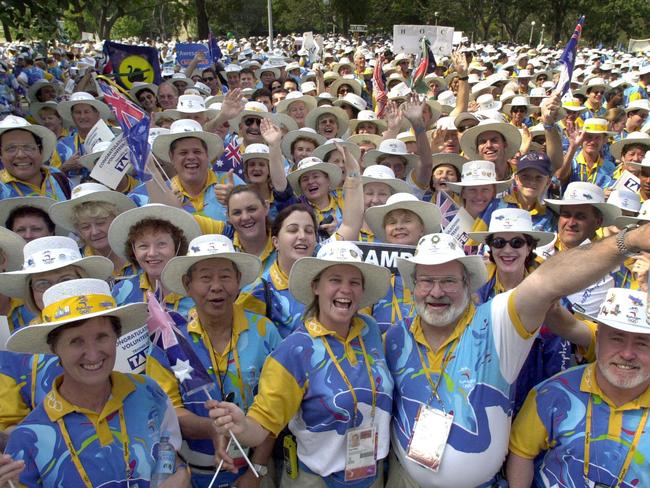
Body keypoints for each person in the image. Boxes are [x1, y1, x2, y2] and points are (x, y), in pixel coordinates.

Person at [384, 217, 650, 487]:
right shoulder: (395, 337)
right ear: (412, 285)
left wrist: (629, 240)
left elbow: (548, 282)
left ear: (468, 284)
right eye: (426, 281)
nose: (436, 292)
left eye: (449, 281)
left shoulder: (496, 324)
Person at [209, 240, 393, 487]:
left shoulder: (369, 330)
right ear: (316, 286)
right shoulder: (294, 351)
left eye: (354, 282)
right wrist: (241, 425)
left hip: (371, 476)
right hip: (317, 480)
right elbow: (262, 425)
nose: (345, 289)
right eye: (335, 280)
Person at [3, 278, 190, 487]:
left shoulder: (149, 393)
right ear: (54, 348)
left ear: (117, 337)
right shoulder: (28, 438)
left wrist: (181, 474)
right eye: (76, 341)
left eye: (102, 337)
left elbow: (169, 453)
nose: (92, 354)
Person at [147, 234, 281, 486]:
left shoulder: (265, 331)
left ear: (239, 281)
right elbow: (168, 412)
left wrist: (257, 470)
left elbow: (275, 408)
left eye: (225, 276)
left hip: (255, 467)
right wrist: (212, 427)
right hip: (192, 474)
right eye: (205, 277)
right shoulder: (170, 340)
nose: (216, 286)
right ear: (188, 284)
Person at [507, 287, 650, 488]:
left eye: (642, 343)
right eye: (616, 338)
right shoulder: (552, 393)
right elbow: (521, 452)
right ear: (598, 339)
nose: (627, 354)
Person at [469, 208, 570, 412]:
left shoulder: (552, 298)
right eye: (499, 243)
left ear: (529, 247)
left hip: (532, 404)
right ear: (489, 247)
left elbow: (558, 364)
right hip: (480, 400)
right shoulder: (472, 295)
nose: (507, 250)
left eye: (516, 242)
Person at [364, 192, 442, 331]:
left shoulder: (439, 264)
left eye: (407, 221)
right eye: (392, 222)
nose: (398, 226)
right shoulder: (371, 267)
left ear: (422, 228)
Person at [109, 204, 200, 318]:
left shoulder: (197, 290)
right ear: (133, 250)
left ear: (177, 246)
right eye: (143, 246)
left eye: (161, 244)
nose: (152, 253)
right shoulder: (120, 293)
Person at [49, 182, 138, 279]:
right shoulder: (76, 264)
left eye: (100, 223)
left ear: (116, 220)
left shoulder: (140, 250)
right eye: (85, 227)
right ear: (79, 231)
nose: (95, 232)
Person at [0, 115, 69, 200]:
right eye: (11, 148)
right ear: (1, 155)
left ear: (41, 150)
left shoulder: (57, 176)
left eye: (28, 147)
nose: (21, 155)